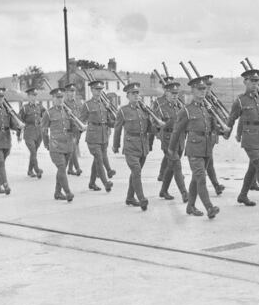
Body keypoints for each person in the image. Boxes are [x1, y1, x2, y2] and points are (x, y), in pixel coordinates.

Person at [169, 76, 223, 219]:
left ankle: (190, 206)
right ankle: (209, 207)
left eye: (204, 89)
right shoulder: (186, 111)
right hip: (194, 148)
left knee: (195, 179)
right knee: (201, 178)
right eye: (199, 89)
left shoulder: (207, 109)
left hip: (206, 148)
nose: (202, 91)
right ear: (192, 91)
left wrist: (222, 129)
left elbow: (213, 127)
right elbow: (176, 131)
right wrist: (171, 150)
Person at [227, 68, 259, 208]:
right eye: (252, 81)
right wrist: (227, 132)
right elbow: (232, 118)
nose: (255, 84)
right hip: (249, 138)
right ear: (245, 82)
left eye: (257, 81)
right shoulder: (240, 101)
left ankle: (242, 195)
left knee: (253, 168)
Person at [113, 82, 155, 211]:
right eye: (133, 94)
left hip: (143, 145)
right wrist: (116, 145)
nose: (136, 95)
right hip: (130, 145)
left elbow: (150, 128)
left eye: (137, 93)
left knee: (135, 173)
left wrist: (156, 127)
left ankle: (130, 198)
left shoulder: (144, 110)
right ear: (128, 96)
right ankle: (142, 198)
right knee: (136, 171)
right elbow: (118, 129)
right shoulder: (123, 111)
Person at [41, 86, 81, 202]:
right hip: (56, 146)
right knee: (62, 168)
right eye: (57, 97)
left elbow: (73, 127)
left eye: (61, 97)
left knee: (61, 170)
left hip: (68, 145)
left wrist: (78, 129)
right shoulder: (49, 113)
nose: (60, 99)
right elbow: (43, 130)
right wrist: (46, 144)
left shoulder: (68, 111)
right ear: (53, 99)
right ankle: (68, 192)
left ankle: (57, 193)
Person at [155, 80, 188, 202]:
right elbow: (154, 123)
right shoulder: (161, 108)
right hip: (168, 140)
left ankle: (163, 191)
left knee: (171, 166)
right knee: (177, 165)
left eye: (176, 93)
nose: (175, 95)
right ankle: (185, 193)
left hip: (180, 140)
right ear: (166, 93)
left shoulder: (181, 107)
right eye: (172, 93)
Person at [79, 80, 115, 192]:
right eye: (96, 89)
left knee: (97, 160)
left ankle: (92, 183)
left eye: (100, 89)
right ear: (91, 90)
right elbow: (81, 120)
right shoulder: (87, 105)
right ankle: (106, 183)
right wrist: (79, 129)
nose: (98, 92)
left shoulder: (105, 104)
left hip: (104, 135)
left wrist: (115, 118)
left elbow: (110, 122)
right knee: (99, 159)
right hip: (93, 136)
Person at [203, 75, 226, 195]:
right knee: (208, 161)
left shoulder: (211, 99)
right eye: (206, 86)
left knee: (207, 161)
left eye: (209, 86)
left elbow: (217, 115)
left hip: (212, 134)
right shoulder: (201, 100)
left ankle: (214, 185)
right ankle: (215, 185)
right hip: (204, 135)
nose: (208, 88)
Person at [19, 87, 47, 178]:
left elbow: (46, 115)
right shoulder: (24, 108)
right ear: (28, 96)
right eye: (32, 96)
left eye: (35, 95)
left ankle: (30, 171)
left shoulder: (40, 106)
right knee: (33, 151)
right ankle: (37, 169)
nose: (34, 97)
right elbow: (19, 121)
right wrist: (19, 133)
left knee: (34, 152)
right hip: (29, 132)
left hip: (38, 132)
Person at [62, 84, 84, 176]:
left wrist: (82, 125)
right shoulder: (63, 103)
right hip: (69, 129)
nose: (72, 93)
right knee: (73, 148)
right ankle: (77, 168)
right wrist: (67, 113)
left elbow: (81, 113)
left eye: (73, 91)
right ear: (66, 93)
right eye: (70, 92)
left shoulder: (78, 102)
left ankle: (70, 169)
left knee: (72, 149)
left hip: (77, 128)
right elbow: (61, 116)